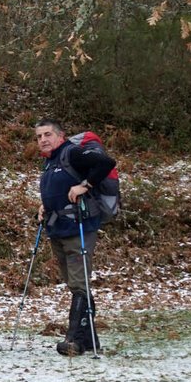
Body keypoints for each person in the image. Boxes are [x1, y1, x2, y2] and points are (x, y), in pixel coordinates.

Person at [35, 119, 116, 357]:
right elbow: (60, 189)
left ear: (60, 136)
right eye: (39, 136)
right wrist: (45, 206)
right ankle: (89, 339)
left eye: (47, 134)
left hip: (78, 227)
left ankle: (73, 339)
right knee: (75, 283)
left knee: (80, 283)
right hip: (59, 228)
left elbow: (106, 163)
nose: (43, 140)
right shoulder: (50, 162)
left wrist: (86, 185)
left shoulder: (71, 153)